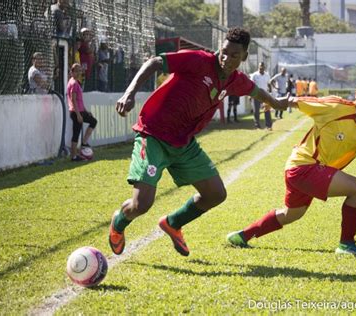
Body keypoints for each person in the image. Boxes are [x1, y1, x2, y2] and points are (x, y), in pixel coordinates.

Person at [109, 27, 289, 257]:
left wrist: (276, 103)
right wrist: (130, 93)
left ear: (244, 57)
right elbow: (155, 62)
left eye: (234, 55)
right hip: (153, 134)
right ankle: (119, 221)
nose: (226, 58)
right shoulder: (198, 60)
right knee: (141, 204)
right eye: (224, 52)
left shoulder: (236, 80)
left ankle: (173, 222)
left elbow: (256, 92)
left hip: (183, 143)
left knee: (215, 194)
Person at [227, 74, 356, 258]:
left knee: (290, 214)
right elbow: (295, 100)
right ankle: (346, 244)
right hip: (303, 166)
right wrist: (274, 102)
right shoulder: (335, 107)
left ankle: (241, 236)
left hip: (304, 171)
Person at [67, 63, 98, 162]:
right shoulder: (73, 83)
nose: (78, 73)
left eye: (79, 71)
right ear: (72, 72)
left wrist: (85, 111)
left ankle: (80, 147)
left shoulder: (75, 82)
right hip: (76, 112)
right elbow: (74, 100)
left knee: (92, 121)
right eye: (76, 71)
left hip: (80, 111)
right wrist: (78, 114)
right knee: (76, 133)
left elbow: (80, 100)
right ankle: (74, 156)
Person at [249, 62, 272, 130]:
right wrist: (250, 95)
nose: (261, 67)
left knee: (267, 110)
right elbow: (251, 85)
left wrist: (270, 93)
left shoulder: (267, 75)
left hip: (265, 95)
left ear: (264, 67)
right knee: (256, 111)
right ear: (258, 67)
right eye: (260, 66)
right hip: (256, 95)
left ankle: (269, 126)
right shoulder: (254, 75)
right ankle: (257, 126)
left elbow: (269, 84)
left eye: (262, 66)